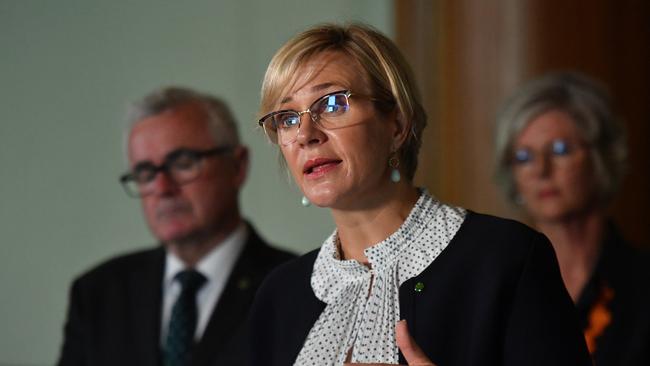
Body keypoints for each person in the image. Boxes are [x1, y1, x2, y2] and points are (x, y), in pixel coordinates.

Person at [248, 23, 590, 366]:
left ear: (397, 125)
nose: (305, 133)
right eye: (287, 118)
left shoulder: (505, 258)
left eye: (333, 104)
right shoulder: (279, 295)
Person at [57, 87, 294, 366]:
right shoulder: (98, 294)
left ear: (237, 166)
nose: (161, 188)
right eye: (145, 173)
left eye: (183, 162)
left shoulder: (294, 289)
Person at [494, 72, 650, 365]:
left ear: (602, 158)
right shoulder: (498, 287)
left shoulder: (642, 285)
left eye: (560, 150)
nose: (541, 170)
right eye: (524, 157)